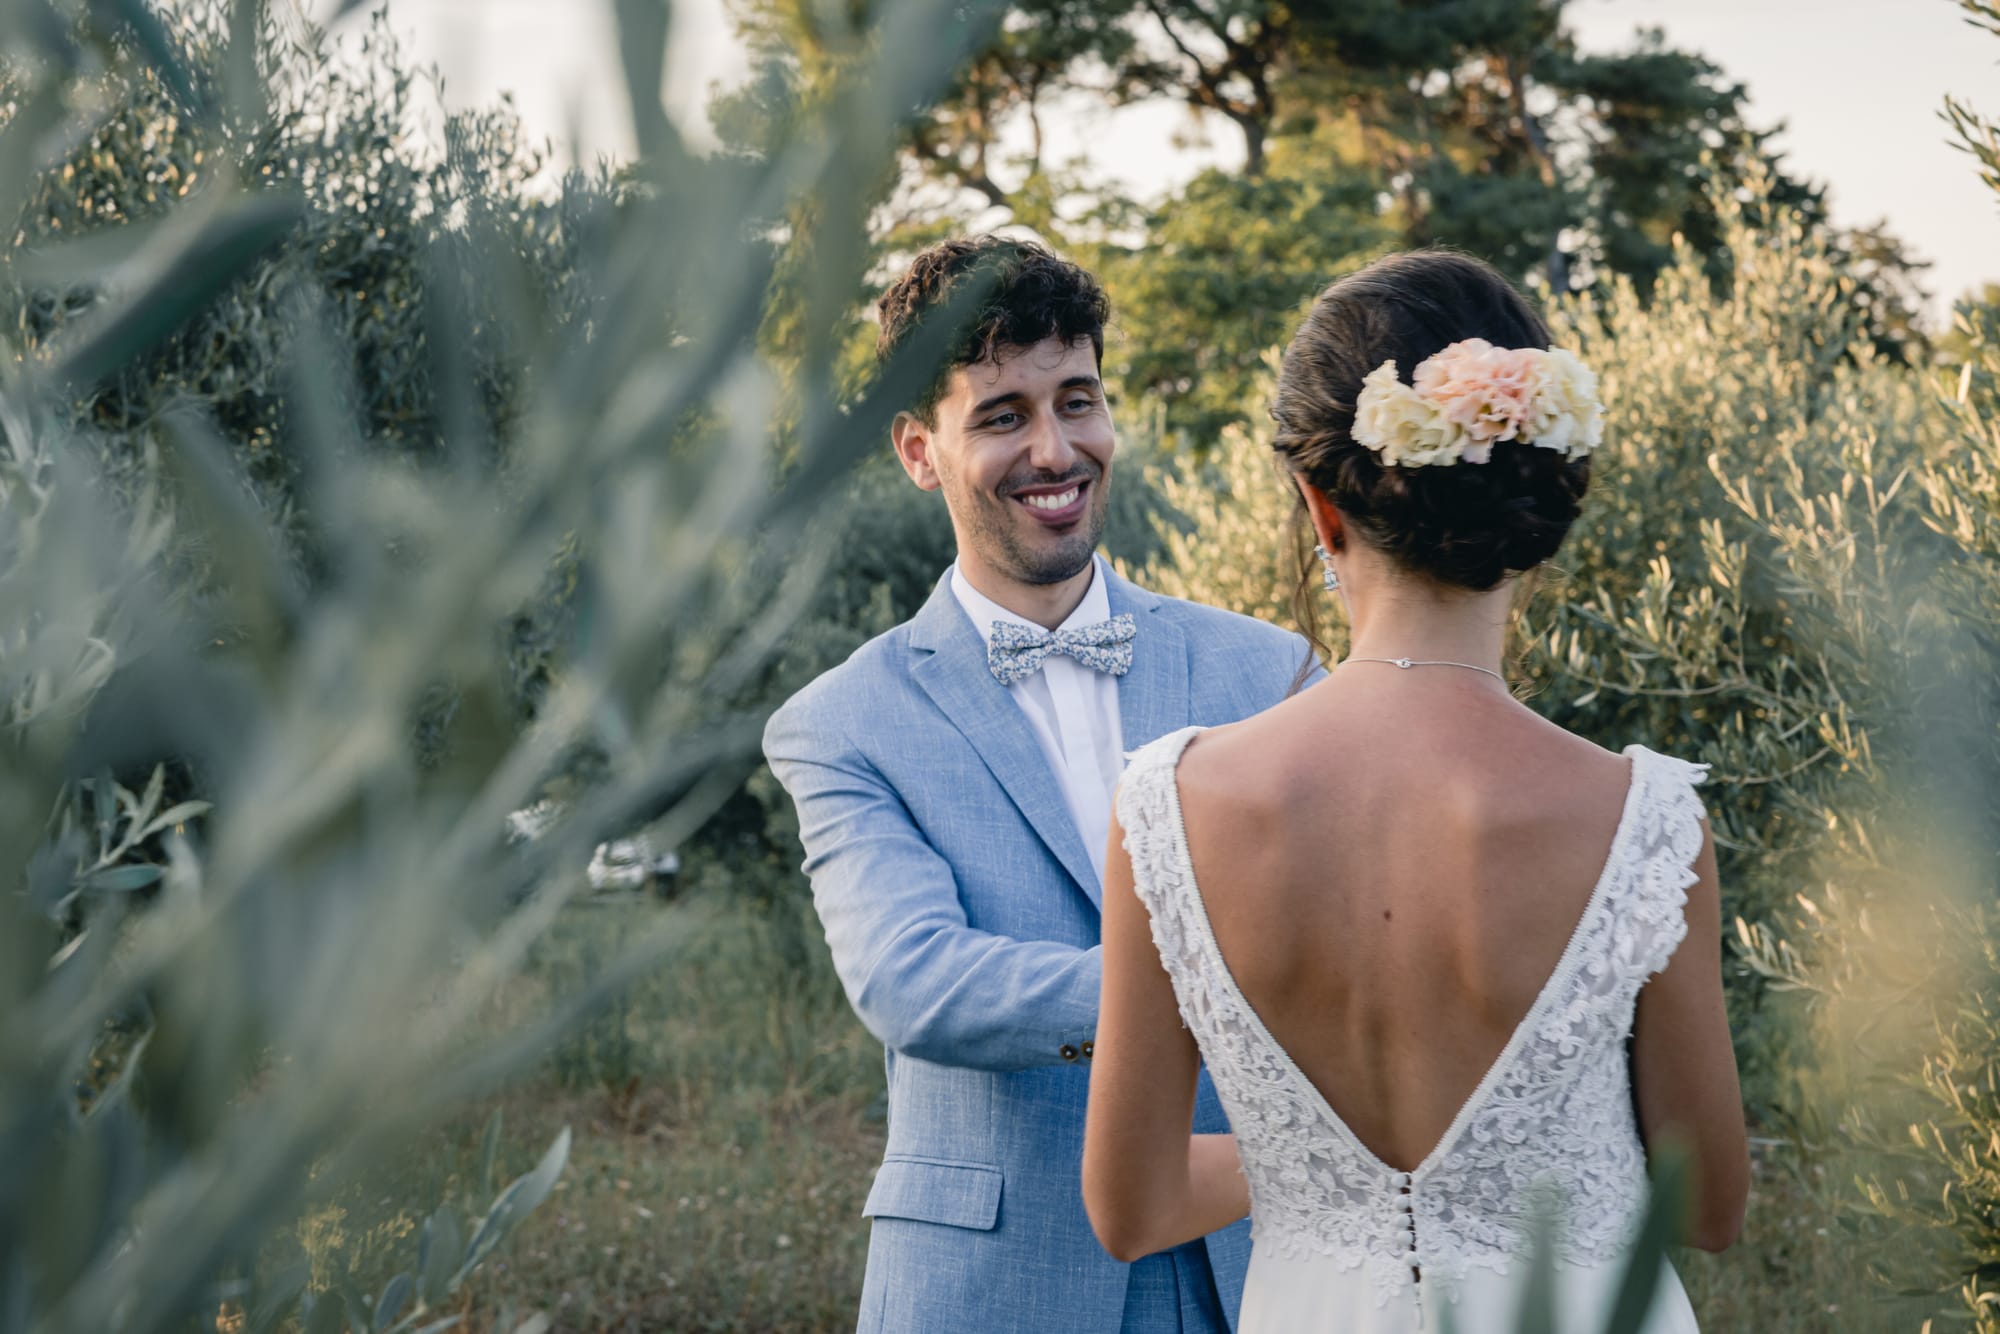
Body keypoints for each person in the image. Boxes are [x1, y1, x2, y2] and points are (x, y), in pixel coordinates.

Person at [1081, 251, 1749, 1334]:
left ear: (1317, 500)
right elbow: (1709, 1204)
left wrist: (1327, 1177)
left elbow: (1131, 1204)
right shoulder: (1642, 820)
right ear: (1531, 493)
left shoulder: (1164, 804)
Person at [762, 234, 1323, 1332]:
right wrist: (1187, 994)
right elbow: (912, 979)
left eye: (1078, 400)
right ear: (919, 450)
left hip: (1258, 1263)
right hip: (992, 1284)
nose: (1055, 449)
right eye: (1003, 415)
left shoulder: (1273, 670)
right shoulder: (842, 721)